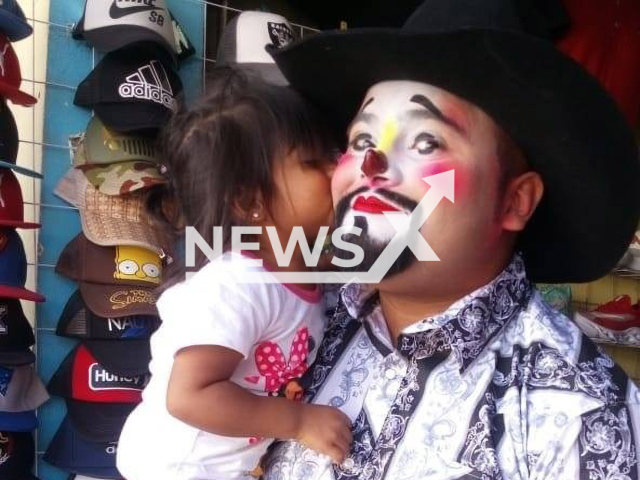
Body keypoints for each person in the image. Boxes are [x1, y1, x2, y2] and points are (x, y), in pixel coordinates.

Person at [260, 0, 640, 478]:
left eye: (426, 143)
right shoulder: (297, 320)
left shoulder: (580, 416)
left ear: (515, 201)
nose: (371, 164)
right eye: (361, 140)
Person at [116, 67, 352, 480]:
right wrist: (297, 422)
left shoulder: (303, 267)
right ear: (249, 200)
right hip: (177, 468)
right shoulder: (237, 285)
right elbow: (190, 396)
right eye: (315, 162)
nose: (339, 171)